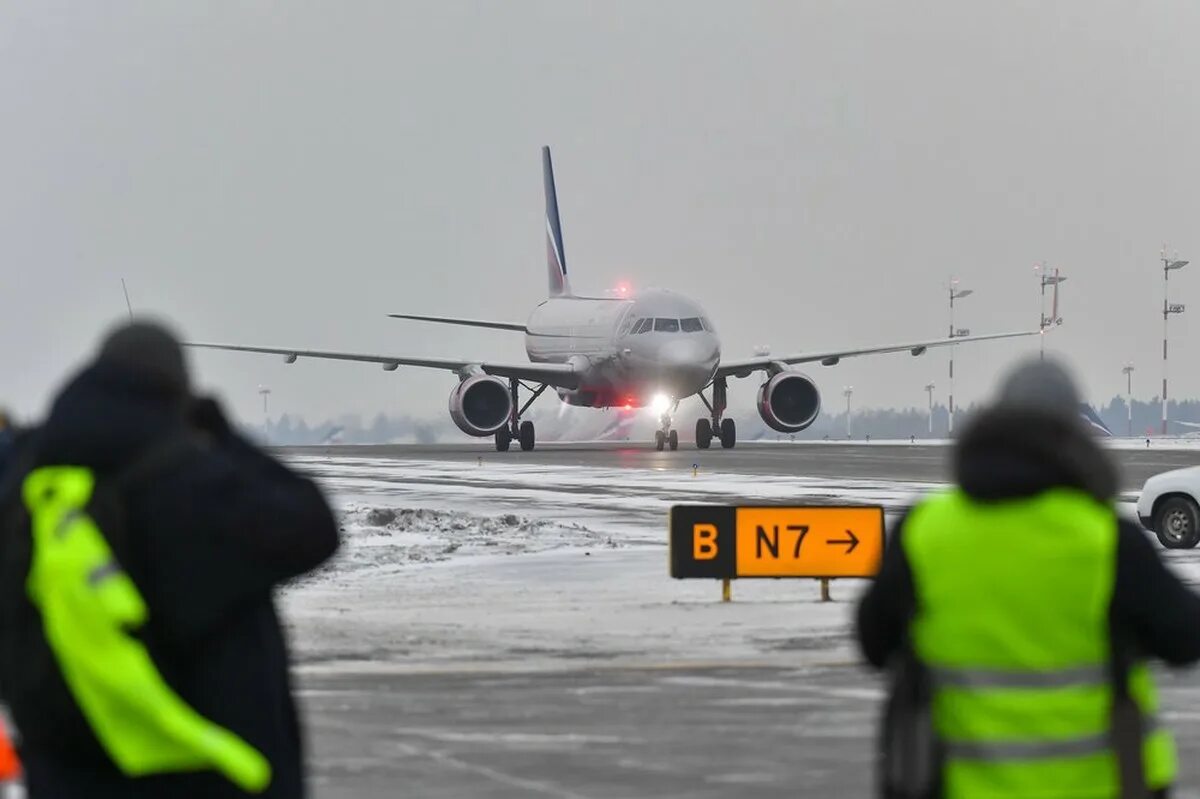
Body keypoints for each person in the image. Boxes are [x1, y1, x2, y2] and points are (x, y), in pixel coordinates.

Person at [0, 321, 340, 798]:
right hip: (204, 770)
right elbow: (313, 529)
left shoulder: (30, 491)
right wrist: (223, 436)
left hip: (69, 775)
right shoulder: (190, 486)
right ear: (176, 387)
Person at [858, 358, 1200, 799]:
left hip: (962, 786)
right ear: (1074, 437)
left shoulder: (925, 531)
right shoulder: (1106, 539)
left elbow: (873, 643)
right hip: (1097, 786)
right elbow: (1185, 639)